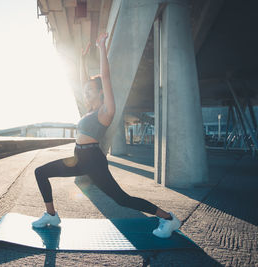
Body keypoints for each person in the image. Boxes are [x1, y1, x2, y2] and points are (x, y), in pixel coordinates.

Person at [32, 32, 181, 238]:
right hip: (78, 157)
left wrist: (101, 46)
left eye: (90, 90)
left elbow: (105, 77)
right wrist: (83, 59)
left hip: (93, 160)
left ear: (101, 92)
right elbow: (82, 79)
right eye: (85, 91)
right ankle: (51, 215)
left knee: (122, 199)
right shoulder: (89, 112)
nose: (86, 93)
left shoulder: (105, 111)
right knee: (40, 172)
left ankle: (168, 218)